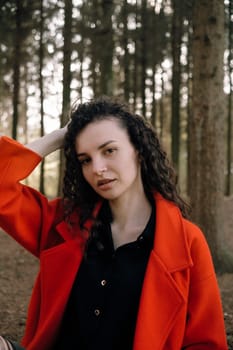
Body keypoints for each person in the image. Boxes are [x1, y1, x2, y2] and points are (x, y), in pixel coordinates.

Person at [0, 97, 228, 350]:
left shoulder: (187, 241)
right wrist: (59, 136)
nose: (97, 168)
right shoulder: (64, 223)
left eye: (109, 150)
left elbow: (206, 344)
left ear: (139, 150)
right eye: (85, 159)